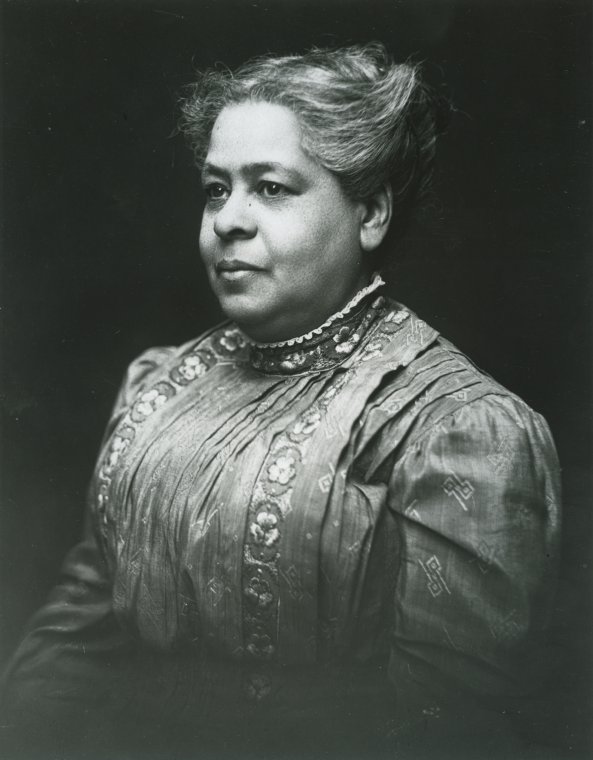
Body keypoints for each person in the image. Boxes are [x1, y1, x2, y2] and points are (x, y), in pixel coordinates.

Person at [2, 43, 560, 759]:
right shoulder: (158, 384)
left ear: (369, 214)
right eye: (215, 188)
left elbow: (445, 724)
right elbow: (76, 628)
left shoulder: (454, 428)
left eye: (269, 187)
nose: (229, 219)